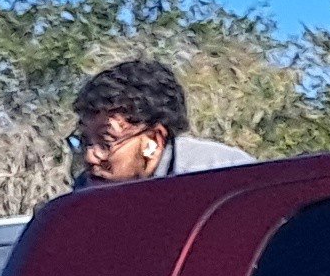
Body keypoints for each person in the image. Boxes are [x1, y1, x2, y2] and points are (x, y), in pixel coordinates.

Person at [66, 58, 252, 190]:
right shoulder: (85, 189)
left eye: (106, 142)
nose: (90, 157)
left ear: (153, 142)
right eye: (84, 141)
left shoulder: (224, 177)